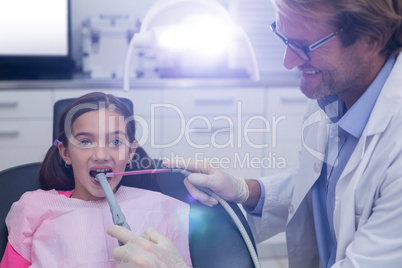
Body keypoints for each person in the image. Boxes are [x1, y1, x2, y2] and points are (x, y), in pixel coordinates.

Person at [104, 0, 402, 267]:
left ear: (371, 40)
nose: (288, 61)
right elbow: (323, 185)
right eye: (284, 38)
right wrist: (243, 190)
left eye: (304, 45)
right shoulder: (335, 96)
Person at [0, 92, 192, 267]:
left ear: (131, 152)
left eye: (115, 142)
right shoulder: (33, 207)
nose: (101, 155)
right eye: (85, 141)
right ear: (65, 153)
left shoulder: (164, 209)